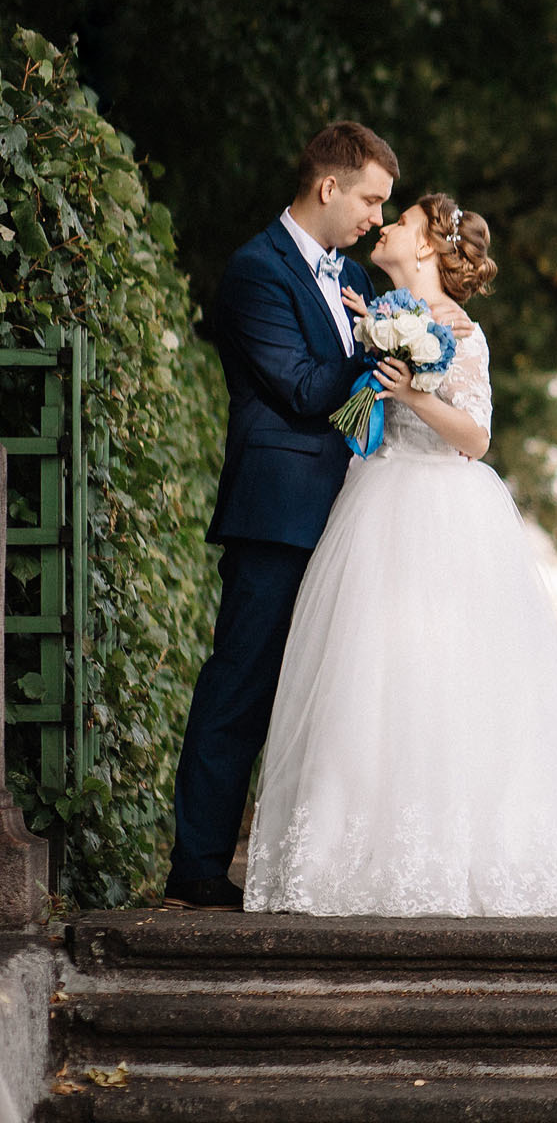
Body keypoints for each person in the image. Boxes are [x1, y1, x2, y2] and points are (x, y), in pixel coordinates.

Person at [243, 192, 557, 916]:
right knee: (367, 680)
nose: (387, 225)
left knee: (445, 680)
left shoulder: (461, 330)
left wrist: (415, 391)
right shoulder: (372, 311)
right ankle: (353, 856)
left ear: (427, 246)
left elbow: (476, 438)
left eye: (400, 222)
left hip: (444, 511)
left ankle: (463, 852)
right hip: (372, 501)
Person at [163, 124, 395, 910]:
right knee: (243, 688)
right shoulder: (256, 270)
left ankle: (316, 867)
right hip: (279, 514)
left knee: (338, 694)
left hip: (351, 515)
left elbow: (359, 403)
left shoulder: (354, 276)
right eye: (370, 199)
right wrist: (375, 348)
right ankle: (195, 869)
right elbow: (299, 389)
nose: (374, 217)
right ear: (329, 186)